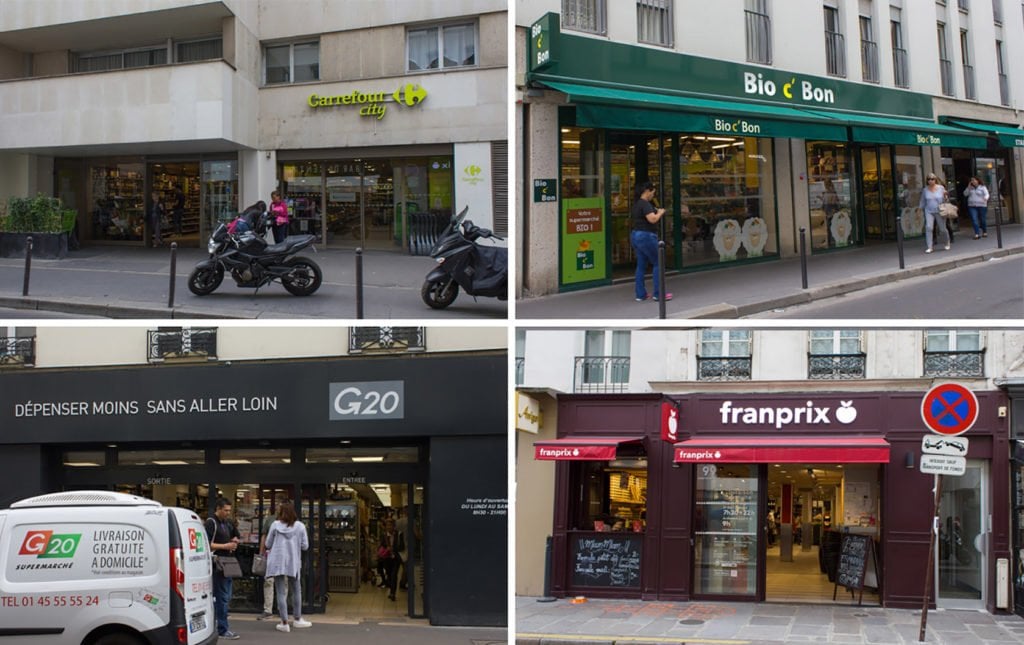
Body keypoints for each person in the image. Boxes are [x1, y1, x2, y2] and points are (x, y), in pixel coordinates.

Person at [264, 501, 311, 632]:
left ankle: (284, 623)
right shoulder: (300, 526)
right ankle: (297, 619)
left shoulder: (274, 525)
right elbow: (305, 546)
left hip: (278, 562)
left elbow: (268, 544)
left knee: (280, 591)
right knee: (296, 590)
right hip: (293, 562)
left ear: (281, 512)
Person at [205, 498, 241, 640]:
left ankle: (218, 624)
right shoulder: (211, 522)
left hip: (227, 563)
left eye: (229, 510)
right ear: (218, 509)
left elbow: (236, 535)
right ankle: (222, 629)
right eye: (225, 510)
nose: (228, 513)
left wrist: (235, 541)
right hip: (217, 564)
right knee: (222, 597)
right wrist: (225, 546)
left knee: (226, 596)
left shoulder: (227, 523)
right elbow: (206, 543)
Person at [630, 181, 670, 302]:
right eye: (653, 192)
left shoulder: (636, 204)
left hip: (636, 235)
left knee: (641, 265)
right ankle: (659, 294)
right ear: (647, 191)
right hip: (646, 236)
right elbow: (652, 219)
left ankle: (640, 294)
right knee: (658, 262)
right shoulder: (645, 204)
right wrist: (660, 213)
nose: (653, 195)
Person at [918, 173, 950, 254]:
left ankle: (946, 242)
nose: (930, 181)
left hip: (939, 210)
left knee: (942, 229)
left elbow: (946, 200)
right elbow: (923, 201)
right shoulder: (925, 190)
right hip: (929, 211)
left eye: (932, 179)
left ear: (935, 180)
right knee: (929, 227)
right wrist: (919, 209)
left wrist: (945, 195)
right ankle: (930, 247)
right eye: (929, 179)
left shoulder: (941, 188)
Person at [256, 506, 277, 620]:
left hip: (282, 557)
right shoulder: (271, 520)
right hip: (270, 554)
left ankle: (282, 608)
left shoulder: (291, 520)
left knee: (283, 582)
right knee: (269, 581)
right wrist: (261, 552)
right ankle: (268, 610)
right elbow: (264, 536)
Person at [379, 517, 404, 601]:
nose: (389, 527)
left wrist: (394, 548)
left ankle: (393, 593)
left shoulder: (399, 534)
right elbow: (382, 544)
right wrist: (387, 548)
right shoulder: (384, 535)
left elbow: (402, 546)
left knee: (394, 575)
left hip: (396, 558)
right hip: (387, 557)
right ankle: (391, 589)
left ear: (394, 526)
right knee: (389, 575)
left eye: (391, 525)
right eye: (387, 525)